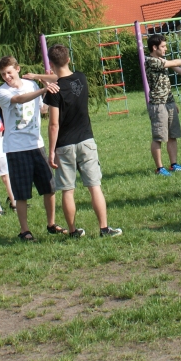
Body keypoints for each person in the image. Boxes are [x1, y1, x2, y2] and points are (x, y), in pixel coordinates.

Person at [40, 44, 122, 238]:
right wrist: (44, 78)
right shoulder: (81, 78)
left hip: (64, 145)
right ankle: (104, 228)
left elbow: (53, 124)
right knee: (94, 186)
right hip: (86, 140)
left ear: (51, 64)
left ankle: (73, 231)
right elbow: (62, 77)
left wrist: (51, 152)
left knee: (67, 190)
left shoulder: (54, 91)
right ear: (68, 59)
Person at [0, 56, 65, 242]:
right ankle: (24, 231)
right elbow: (19, 99)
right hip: (16, 148)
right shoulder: (2, 92)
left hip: (36, 145)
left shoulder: (31, 84)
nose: (7, 77)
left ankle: (51, 224)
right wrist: (43, 89)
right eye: (3, 74)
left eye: (9, 72)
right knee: (22, 193)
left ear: (17, 69)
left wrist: (45, 84)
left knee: (49, 187)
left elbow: (43, 109)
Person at [144, 34, 181, 176]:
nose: (166, 49)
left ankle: (174, 165)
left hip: (169, 102)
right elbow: (174, 63)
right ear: (154, 47)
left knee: (173, 135)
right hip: (158, 104)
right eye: (163, 46)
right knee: (159, 137)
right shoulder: (150, 61)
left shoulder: (162, 60)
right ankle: (160, 168)